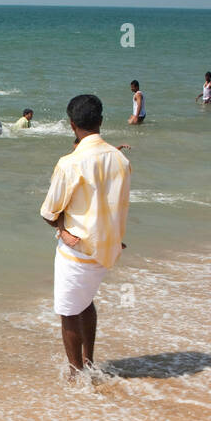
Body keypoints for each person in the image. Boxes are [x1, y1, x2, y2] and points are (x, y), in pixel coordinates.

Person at [39, 94, 131, 373]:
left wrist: (61, 230)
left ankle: (76, 373)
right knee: (86, 302)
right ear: (101, 121)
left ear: (71, 125)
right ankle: (89, 362)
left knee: (68, 311)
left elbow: (49, 212)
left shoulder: (69, 163)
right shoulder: (120, 159)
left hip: (78, 250)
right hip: (108, 249)